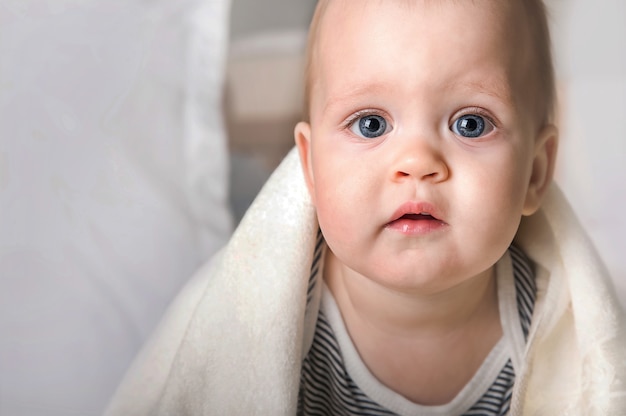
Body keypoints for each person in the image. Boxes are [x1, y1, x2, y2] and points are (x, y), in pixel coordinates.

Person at [105, 1, 626, 415]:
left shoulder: (555, 325)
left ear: (535, 173)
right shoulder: (268, 323)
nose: (417, 163)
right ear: (310, 169)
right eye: (371, 124)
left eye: (470, 123)